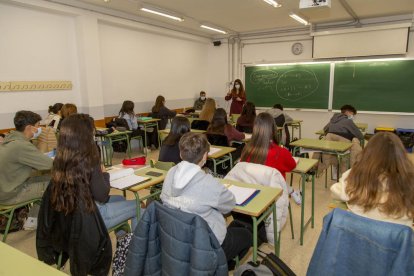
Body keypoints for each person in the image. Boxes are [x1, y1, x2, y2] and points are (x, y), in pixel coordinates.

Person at [160, 132, 252, 268]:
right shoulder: (209, 183)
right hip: (206, 244)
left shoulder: (171, 173)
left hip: (177, 238)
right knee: (247, 235)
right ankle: (222, 263)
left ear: (180, 154)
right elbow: (230, 204)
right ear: (204, 156)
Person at [51, 113, 138, 231]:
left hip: (70, 213)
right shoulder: (89, 158)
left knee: (121, 200)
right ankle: (136, 248)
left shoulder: (60, 158)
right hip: (92, 215)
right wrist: (104, 174)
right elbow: (102, 196)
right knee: (138, 205)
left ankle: (122, 240)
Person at [330, 132, 414, 227]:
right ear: (401, 156)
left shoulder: (356, 175)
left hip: (358, 237)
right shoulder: (409, 181)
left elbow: (335, 191)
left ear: (367, 154)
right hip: (396, 240)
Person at [0, 111, 53, 205]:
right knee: (57, 185)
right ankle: (43, 218)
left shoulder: (9, 138)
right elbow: (49, 164)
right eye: (37, 125)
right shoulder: (21, 145)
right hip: (10, 195)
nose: (39, 129)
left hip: (5, 190)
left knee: (47, 178)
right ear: (29, 127)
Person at [240, 112, 296, 179]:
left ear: (254, 129)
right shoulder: (281, 152)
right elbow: (292, 165)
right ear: (273, 129)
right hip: (276, 189)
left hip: (253, 188)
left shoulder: (246, 150)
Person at [321, 104, 363, 173]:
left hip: (331, 147)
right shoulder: (348, 121)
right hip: (343, 147)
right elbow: (360, 136)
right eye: (352, 114)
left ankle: (335, 170)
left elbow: (325, 129)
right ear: (348, 112)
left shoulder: (333, 119)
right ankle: (348, 172)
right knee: (354, 145)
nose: (353, 116)